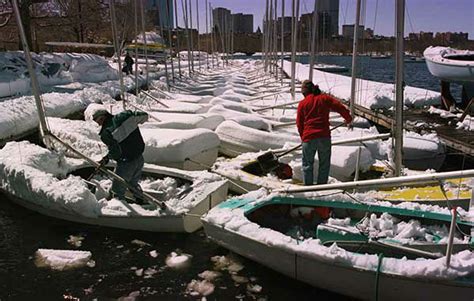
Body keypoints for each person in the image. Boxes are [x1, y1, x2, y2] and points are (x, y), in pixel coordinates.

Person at [296, 80, 353, 186]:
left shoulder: (302, 104)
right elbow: (339, 107)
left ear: (305, 92)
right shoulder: (324, 98)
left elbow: (299, 124)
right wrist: (348, 118)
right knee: (324, 164)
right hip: (324, 137)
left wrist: (303, 137)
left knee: (307, 165)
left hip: (308, 138)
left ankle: (307, 188)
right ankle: (321, 187)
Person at [92, 109, 148, 201]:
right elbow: (144, 115)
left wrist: (107, 158)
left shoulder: (106, 133)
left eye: (98, 121)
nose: (98, 124)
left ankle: (119, 210)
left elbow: (116, 151)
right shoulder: (126, 116)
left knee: (117, 189)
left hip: (127, 163)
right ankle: (140, 200)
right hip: (139, 158)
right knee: (133, 183)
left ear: (103, 117)